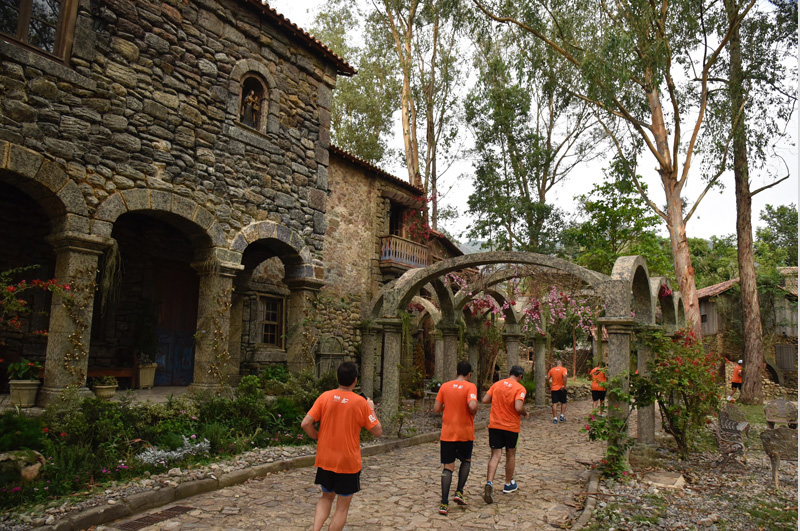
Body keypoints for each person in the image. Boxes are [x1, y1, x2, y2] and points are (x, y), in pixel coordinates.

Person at [301, 362, 382, 531]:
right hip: (347, 462)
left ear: (337, 378)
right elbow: (377, 431)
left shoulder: (325, 397)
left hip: (325, 458)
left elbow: (306, 423)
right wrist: (371, 409)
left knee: (325, 497)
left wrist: (317, 436)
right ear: (355, 380)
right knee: (342, 507)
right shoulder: (360, 403)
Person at [433, 360, 479, 516]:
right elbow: (472, 405)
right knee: (466, 460)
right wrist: (474, 410)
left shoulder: (445, 386)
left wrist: (448, 406)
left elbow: (436, 408)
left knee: (448, 467)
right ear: (469, 374)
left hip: (447, 433)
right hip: (465, 432)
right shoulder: (470, 386)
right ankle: (459, 492)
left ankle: (444, 503)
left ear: (456, 372)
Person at [481, 365, 529, 504]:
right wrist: (525, 413)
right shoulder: (520, 388)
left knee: (495, 454)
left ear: (509, 373)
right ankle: (508, 483)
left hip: (495, 425)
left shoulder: (497, 384)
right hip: (511, 427)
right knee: (510, 454)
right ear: (520, 376)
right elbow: (518, 407)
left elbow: (485, 400)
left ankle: (489, 482)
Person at [547, 360, 569, 424]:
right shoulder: (564, 369)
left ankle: (555, 418)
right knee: (564, 402)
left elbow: (547, 378)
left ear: (555, 364)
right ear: (561, 364)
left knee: (554, 403)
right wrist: (564, 385)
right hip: (562, 388)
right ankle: (562, 416)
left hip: (554, 388)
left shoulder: (552, 370)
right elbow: (564, 376)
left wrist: (548, 386)